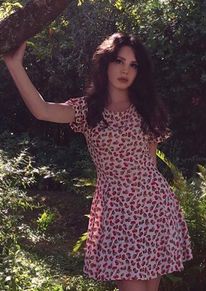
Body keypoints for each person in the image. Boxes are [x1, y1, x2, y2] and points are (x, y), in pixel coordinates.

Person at [3, 32, 193, 291]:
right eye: (119, 61)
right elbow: (42, 110)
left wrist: (152, 203)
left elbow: (151, 163)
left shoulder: (147, 109)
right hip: (117, 213)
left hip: (154, 208)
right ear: (106, 63)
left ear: (139, 72)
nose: (125, 70)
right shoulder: (87, 110)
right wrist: (15, 65)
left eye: (133, 64)